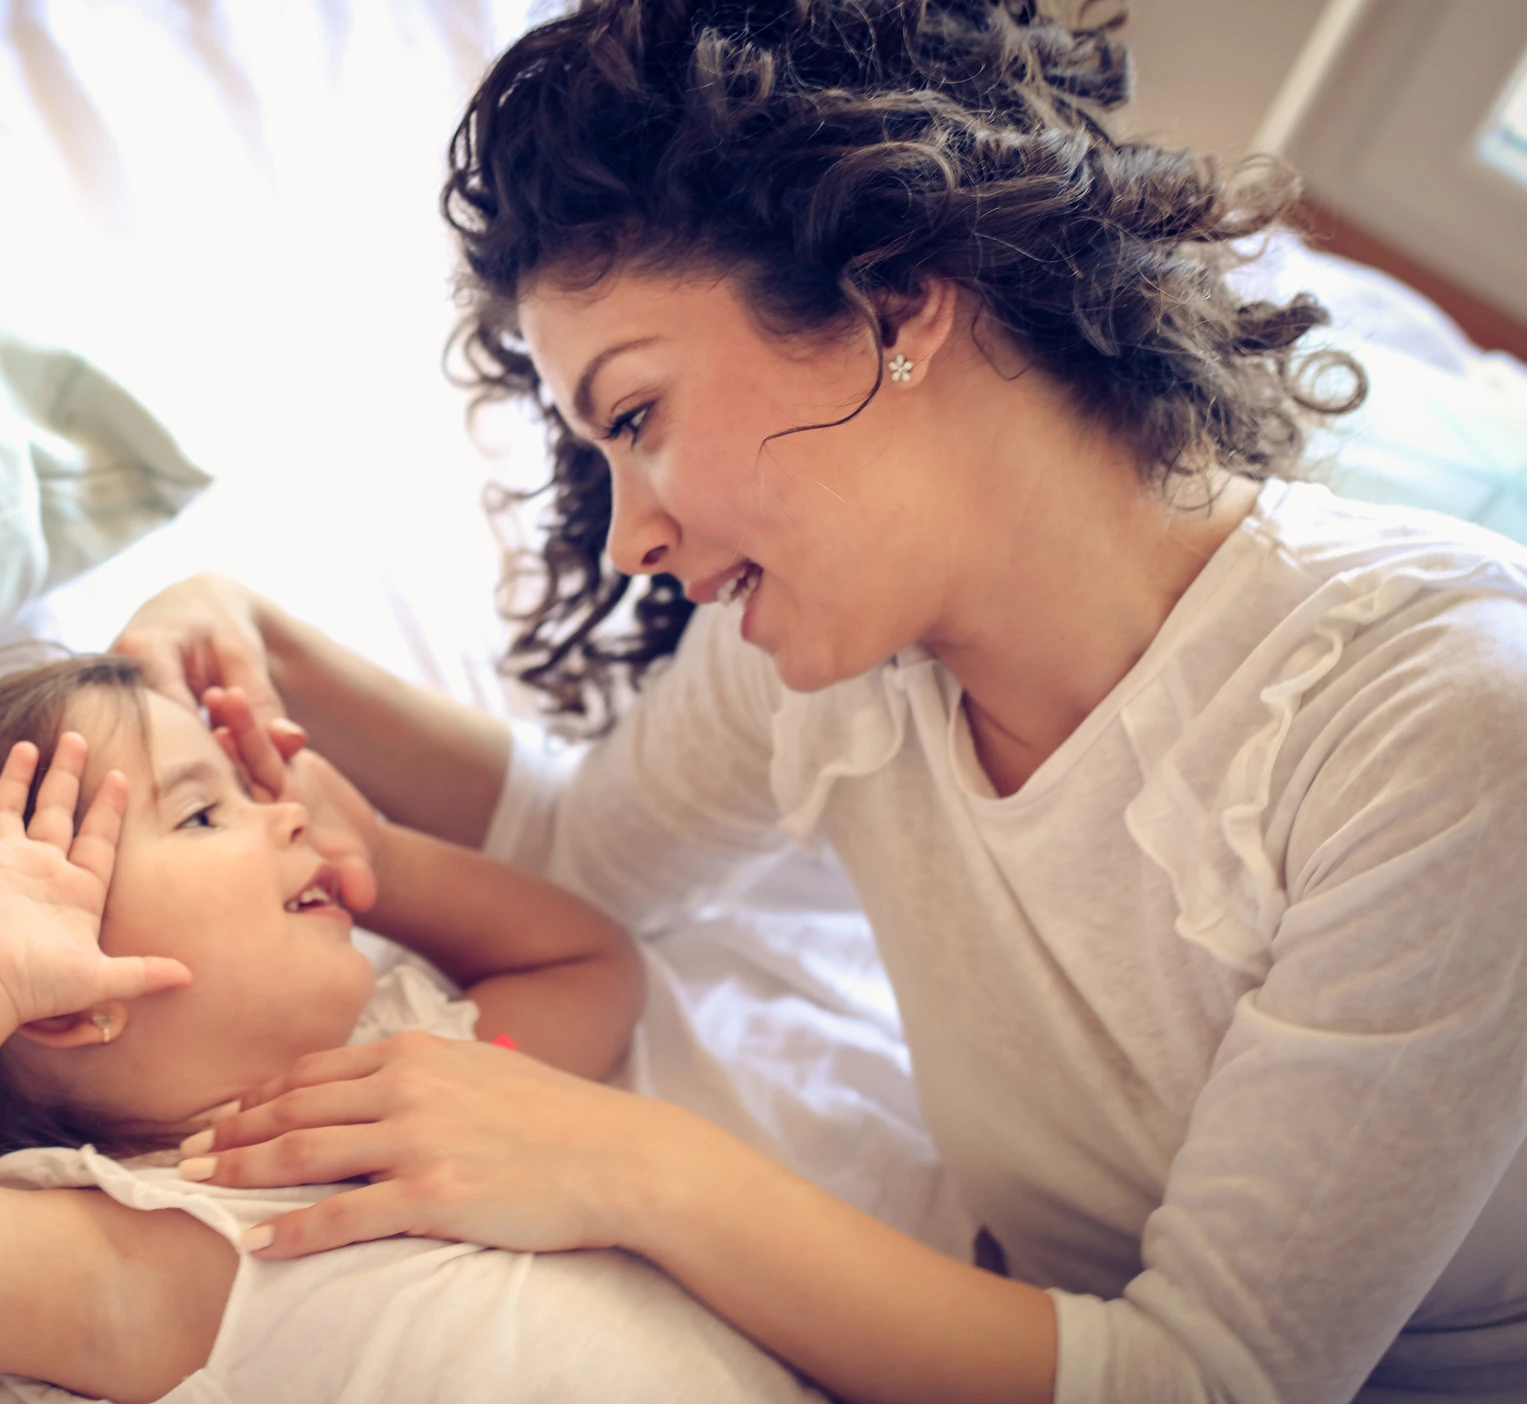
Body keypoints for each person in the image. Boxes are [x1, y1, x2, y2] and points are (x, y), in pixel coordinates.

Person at [106, 2, 1527, 1401]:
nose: (627, 541)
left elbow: (1209, 1381)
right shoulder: (843, 648)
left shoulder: (1439, 719)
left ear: (889, 304)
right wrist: (259, 643)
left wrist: (622, 1167)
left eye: (638, 416)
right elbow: (574, 849)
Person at [0, 652, 827, 1402]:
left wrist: (380, 852)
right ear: (70, 997)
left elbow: (587, 961)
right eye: (206, 815)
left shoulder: (432, 1069)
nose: (283, 814)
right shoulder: (152, 1247)